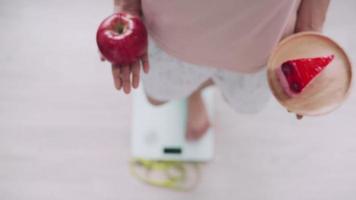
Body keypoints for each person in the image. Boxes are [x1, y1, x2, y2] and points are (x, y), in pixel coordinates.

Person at [103, 0, 330, 140]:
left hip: (263, 46)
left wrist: (309, 28)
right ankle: (195, 94)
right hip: (169, 35)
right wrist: (127, 5)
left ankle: (197, 91)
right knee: (158, 97)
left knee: (246, 105)